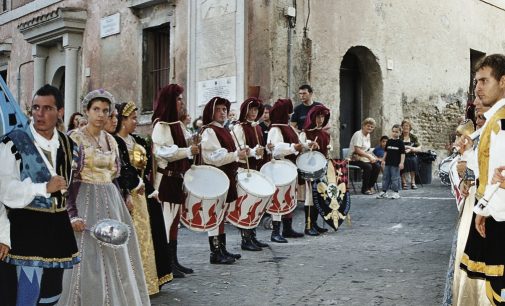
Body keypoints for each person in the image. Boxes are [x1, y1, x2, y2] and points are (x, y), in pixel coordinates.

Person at [59, 89, 150, 305]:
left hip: (111, 200)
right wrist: (72, 214)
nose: (101, 115)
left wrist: (125, 195)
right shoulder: (75, 138)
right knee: (88, 257)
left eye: (105, 110)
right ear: (87, 111)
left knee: (116, 254)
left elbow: (116, 176)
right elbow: (68, 179)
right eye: (96, 110)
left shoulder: (111, 140)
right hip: (85, 199)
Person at [0, 84, 80, 305]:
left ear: (60, 112)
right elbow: (4, 189)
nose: (39, 114)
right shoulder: (14, 142)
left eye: (46, 108)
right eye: (35, 108)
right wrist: (42, 188)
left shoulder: (68, 144)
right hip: (26, 228)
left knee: (52, 293)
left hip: (57, 228)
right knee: (27, 293)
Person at [459, 54, 505, 306]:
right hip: (493, 212)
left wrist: (486, 209)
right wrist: (482, 209)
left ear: (503, 82)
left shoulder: (501, 121)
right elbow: (490, 173)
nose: (478, 87)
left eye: (485, 80)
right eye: (476, 81)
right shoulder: (494, 120)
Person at [114, 101, 167, 294]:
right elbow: (121, 169)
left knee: (146, 237)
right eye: (133, 118)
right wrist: (134, 185)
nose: (136, 121)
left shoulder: (136, 140)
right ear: (123, 120)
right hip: (129, 195)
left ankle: (147, 280)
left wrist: (151, 189)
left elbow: (144, 171)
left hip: (142, 194)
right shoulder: (116, 141)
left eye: (137, 117)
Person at [441, 95, 489, 306]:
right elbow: (450, 170)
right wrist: (464, 176)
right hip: (473, 205)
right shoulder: (475, 137)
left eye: (482, 117)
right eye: (477, 117)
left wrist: (469, 170)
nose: (478, 121)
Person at [151, 84, 198, 276]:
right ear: (170, 102)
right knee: (165, 221)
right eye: (178, 99)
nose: (182, 103)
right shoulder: (161, 126)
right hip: (166, 180)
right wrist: (188, 150)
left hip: (177, 179)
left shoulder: (178, 125)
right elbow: (163, 151)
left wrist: (193, 143)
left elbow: (185, 143)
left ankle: (174, 261)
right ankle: (165, 265)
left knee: (174, 221)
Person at [200, 96, 248, 264]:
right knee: (215, 213)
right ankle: (215, 253)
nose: (222, 112)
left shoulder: (224, 130)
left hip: (225, 175)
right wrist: (236, 155)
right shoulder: (209, 131)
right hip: (216, 176)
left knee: (222, 213)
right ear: (211, 112)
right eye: (219, 109)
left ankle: (222, 249)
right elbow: (213, 157)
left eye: (224, 110)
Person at [231, 97, 269, 251]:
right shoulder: (238, 128)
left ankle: (252, 235)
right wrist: (254, 152)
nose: (254, 113)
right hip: (243, 169)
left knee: (255, 203)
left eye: (256, 110)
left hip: (255, 169)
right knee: (246, 203)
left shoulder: (257, 127)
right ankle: (245, 239)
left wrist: (261, 152)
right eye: (251, 109)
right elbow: (239, 148)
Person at [267, 98, 305, 243]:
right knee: (278, 198)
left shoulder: (288, 127)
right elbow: (275, 149)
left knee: (289, 196)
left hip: (290, 167)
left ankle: (287, 228)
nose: (290, 115)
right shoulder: (275, 129)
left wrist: (306, 145)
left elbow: (298, 142)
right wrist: (292, 148)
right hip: (279, 168)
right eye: (287, 112)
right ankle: (275, 231)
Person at [299, 104, 331, 236]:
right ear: (312, 117)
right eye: (318, 116)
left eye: (323, 116)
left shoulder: (325, 134)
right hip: (309, 169)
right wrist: (308, 147)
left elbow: (327, 151)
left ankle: (315, 223)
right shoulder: (305, 133)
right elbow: (300, 150)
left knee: (319, 196)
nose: (320, 119)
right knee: (310, 198)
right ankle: (308, 226)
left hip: (321, 169)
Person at [348, 117, 381, 195]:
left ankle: (370, 186)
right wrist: (369, 157)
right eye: (368, 125)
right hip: (354, 158)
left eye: (371, 127)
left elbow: (367, 149)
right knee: (368, 167)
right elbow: (357, 150)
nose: (370, 128)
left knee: (377, 166)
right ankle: (365, 189)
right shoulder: (358, 134)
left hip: (364, 157)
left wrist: (373, 157)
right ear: (363, 126)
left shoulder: (368, 135)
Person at [376, 125, 405, 199]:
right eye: (393, 131)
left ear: (400, 133)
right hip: (388, 163)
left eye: (396, 132)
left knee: (395, 178)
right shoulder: (389, 141)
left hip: (395, 164)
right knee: (385, 177)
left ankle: (396, 192)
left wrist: (401, 163)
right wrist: (383, 160)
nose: (394, 133)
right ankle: (384, 192)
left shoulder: (400, 142)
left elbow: (402, 154)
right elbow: (386, 152)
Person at [400, 119, 422, 189]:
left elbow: (419, 148)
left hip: (411, 154)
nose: (405, 127)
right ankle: (404, 182)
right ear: (401, 127)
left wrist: (410, 149)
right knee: (403, 161)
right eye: (404, 126)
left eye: (407, 126)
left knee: (413, 160)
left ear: (410, 127)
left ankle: (413, 182)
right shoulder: (400, 137)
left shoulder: (413, 137)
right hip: (401, 155)